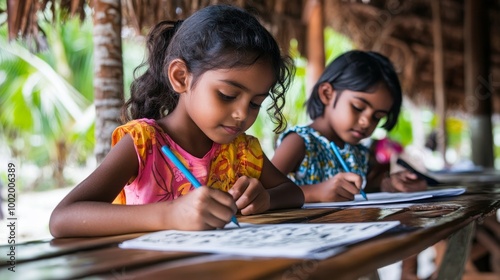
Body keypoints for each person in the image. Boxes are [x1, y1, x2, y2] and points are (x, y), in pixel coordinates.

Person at [50, 5, 304, 238]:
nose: (242, 114)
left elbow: (293, 193)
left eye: (255, 103)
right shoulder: (143, 143)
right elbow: (63, 219)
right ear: (181, 77)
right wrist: (169, 214)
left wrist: (265, 198)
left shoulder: (243, 151)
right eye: (228, 95)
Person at [271, 50, 427, 203]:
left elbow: (363, 189)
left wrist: (389, 183)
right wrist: (315, 193)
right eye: (358, 107)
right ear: (327, 94)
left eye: (377, 117)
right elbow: (263, 192)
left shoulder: (357, 152)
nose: (367, 122)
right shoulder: (299, 142)